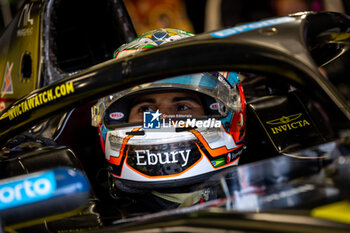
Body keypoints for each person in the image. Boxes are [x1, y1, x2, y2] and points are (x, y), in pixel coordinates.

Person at [91, 28, 247, 210]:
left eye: (181, 107)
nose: (163, 119)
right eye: (147, 110)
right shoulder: (97, 210)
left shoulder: (267, 183)